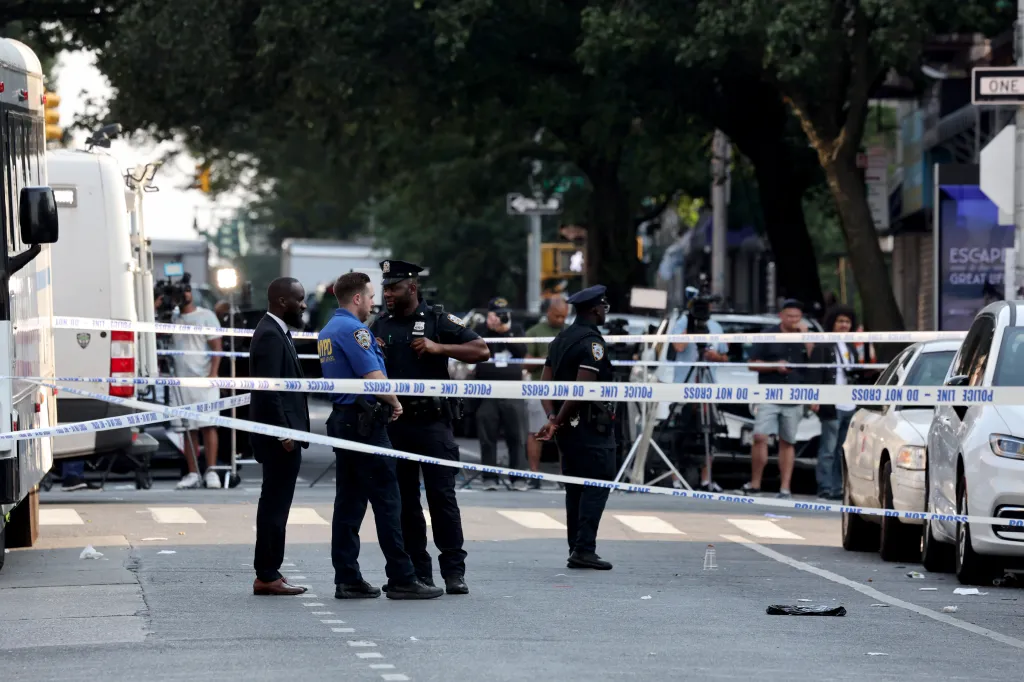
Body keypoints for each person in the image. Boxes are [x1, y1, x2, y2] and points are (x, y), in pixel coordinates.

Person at [318, 272, 444, 601]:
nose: (374, 302)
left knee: (349, 503)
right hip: (366, 424)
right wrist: (395, 402)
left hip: (345, 420)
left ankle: (347, 577)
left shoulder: (329, 330)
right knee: (389, 501)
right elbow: (373, 376)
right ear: (357, 298)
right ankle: (402, 577)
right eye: (371, 296)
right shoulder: (354, 330)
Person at [371, 260, 490, 595]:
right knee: (406, 503)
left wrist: (440, 348)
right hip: (396, 424)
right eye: (385, 288)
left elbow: (481, 350)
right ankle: (419, 572)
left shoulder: (438, 320)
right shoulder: (380, 323)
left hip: (433, 423)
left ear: (412, 287)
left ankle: (454, 571)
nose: (387, 294)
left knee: (442, 499)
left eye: (393, 288)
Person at [536, 285, 616, 571]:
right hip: (591, 429)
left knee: (575, 488)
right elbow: (582, 390)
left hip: (567, 430)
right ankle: (584, 549)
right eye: (604, 306)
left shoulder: (560, 339)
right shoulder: (592, 343)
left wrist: (552, 417)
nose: (605, 311)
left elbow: (544, 385)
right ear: (595, 309)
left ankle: (577, 548)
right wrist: (556, 420)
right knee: (598, 482)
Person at [249, 277, 311, 596]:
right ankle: (267, 574)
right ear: (282, 301)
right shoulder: (271, 335)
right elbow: (269, 390)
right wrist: (283, 432)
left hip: (283, 435)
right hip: (279, 439)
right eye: (300, 299)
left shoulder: (277, 332)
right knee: (274, 505)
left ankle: (270, 570)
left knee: (276, 504)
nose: (304, 305)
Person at [742, 298, 810, 499]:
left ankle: (785, 488)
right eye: (789, 316)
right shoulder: (768, 334)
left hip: (795, 395)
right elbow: (752, 364)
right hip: (769, 393)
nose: (793, 320)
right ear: (781, 316)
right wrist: (774, 366)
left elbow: (815, 361)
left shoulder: (807, 336)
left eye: (797, 317)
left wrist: (806, 337)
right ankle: (755, 484)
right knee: (759, 436)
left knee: (788, 441)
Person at [668, 291, 730, 492]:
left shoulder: (716, 327)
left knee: (709, 433)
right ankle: (676, 479)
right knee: (678, 433)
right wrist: (690, 323)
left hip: (707, 388)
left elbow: (725, 356)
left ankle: (706, 479)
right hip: (684, 388)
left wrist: (715, 356)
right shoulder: (682, 323)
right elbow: (678, 347)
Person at [170, 277, 224, 490]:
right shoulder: (171, 318)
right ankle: (193, 472)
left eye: (186, 290)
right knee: (188, 428)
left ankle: (211, 471)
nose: (184, 295)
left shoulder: (206, 316)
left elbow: (217, 347)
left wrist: (213, 374)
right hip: (181, 382)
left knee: (208, 426)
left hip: (204, 379)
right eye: (179, 292)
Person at [473, 296, 528, 491]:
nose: (498, 319)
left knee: (516, 434)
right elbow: (476, 350)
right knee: (487, 434)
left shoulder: (516, 329)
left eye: (502, 315)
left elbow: (522, 351)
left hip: (512, 389)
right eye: (495, 315)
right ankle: (489, 477)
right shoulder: (481, 329)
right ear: (489, 314)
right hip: (487, 390)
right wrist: (489, 329)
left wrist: (506, 333)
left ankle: (518, 477)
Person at [809, 304, 858, 501]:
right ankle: (825, 487)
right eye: (840, 321)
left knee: (842, 450)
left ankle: (838, 488)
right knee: (828, 449)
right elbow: (815, 372)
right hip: (831, 404)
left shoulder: (851, 346)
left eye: (847, 322)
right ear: (832, 323)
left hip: (850, 404)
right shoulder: (824, 344)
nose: (844, 325)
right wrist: (814, 397)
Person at [524, 296, 568, 488]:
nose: (561, 320)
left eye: (564, 316)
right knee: (536, 432)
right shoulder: (535, 332)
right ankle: (534, 474)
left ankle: (564, 476)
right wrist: (547, 359)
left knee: (566, 433)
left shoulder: (569, 331)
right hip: (539, 388)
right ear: (548, 312)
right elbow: (525, 364)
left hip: (565, 390)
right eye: (557, 316)